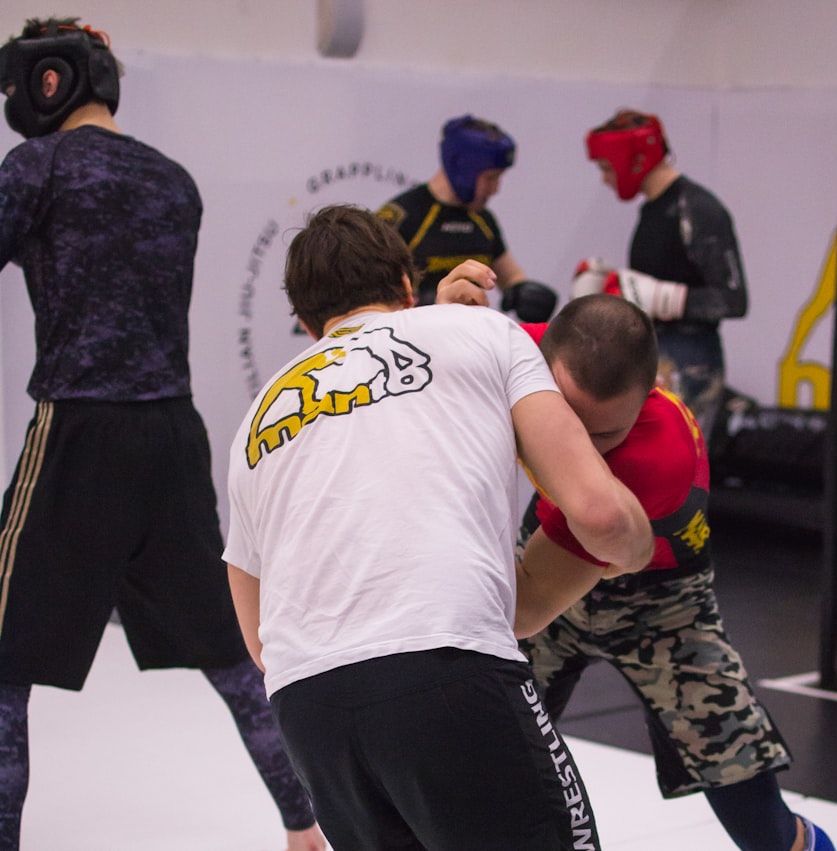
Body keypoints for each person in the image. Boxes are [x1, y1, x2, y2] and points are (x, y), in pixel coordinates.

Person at [223, 204, 655, 849]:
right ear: (405, 283)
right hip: (445, 664)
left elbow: (259, 639)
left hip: (308, 709)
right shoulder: (483, 333)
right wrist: (640, 541)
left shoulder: (257, 417)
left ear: (307, 323)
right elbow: (598, 515)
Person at [0, 19, 323, 850]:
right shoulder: (174, 181)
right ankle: (308, 829)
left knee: (1, 662)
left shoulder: (39, 167)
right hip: (173, 437)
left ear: (50, 80)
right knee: (230, 654)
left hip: (78, 428)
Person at [437, 280, 834, 851]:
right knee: (467, 761)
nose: (581, 450)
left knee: (751, 801)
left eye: (604, 434)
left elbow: (525, 607)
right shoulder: (518, 350)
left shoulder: (656, 455)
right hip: (553, 542)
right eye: (565, 420)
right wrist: (444, 319)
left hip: (660, 600)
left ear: (654, 390)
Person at [573, 108, 749, 442]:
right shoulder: (652, 209)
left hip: (691, 365)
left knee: (679, 478)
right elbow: (653, 285)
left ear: (634, 160)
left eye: (607, 168)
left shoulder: (696, 208)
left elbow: (732, 300)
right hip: (653, 360)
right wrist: (609, 286)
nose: (605, 179)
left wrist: (658, 297)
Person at [376, 113, 558, 322]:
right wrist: (416, 306)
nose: (496, 189)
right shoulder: (402, 217)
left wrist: (524, 294)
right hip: (413, 346)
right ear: (462, 167)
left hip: (471, 343)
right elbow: (366, 296)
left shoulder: (483, 220)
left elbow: (512, 278)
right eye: (491, 177)